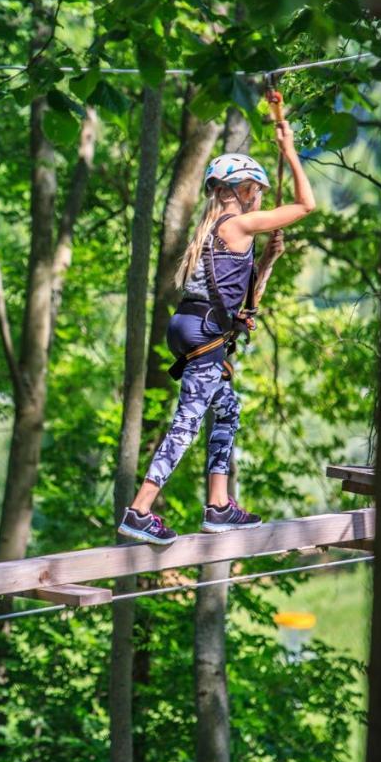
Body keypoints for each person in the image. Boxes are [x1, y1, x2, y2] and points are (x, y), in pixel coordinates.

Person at [118, 121, 315, 544]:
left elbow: (238, 297)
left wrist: (266, 264)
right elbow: (305, 205)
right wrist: (289, 150)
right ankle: (139, 510)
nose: (260, 198)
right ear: (242, 189)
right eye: (256, 191)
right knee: (188, 422)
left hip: (193, 325)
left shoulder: (213, 230)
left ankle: (219, 506)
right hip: (204, 332)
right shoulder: (236, 224)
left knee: (226, 409)